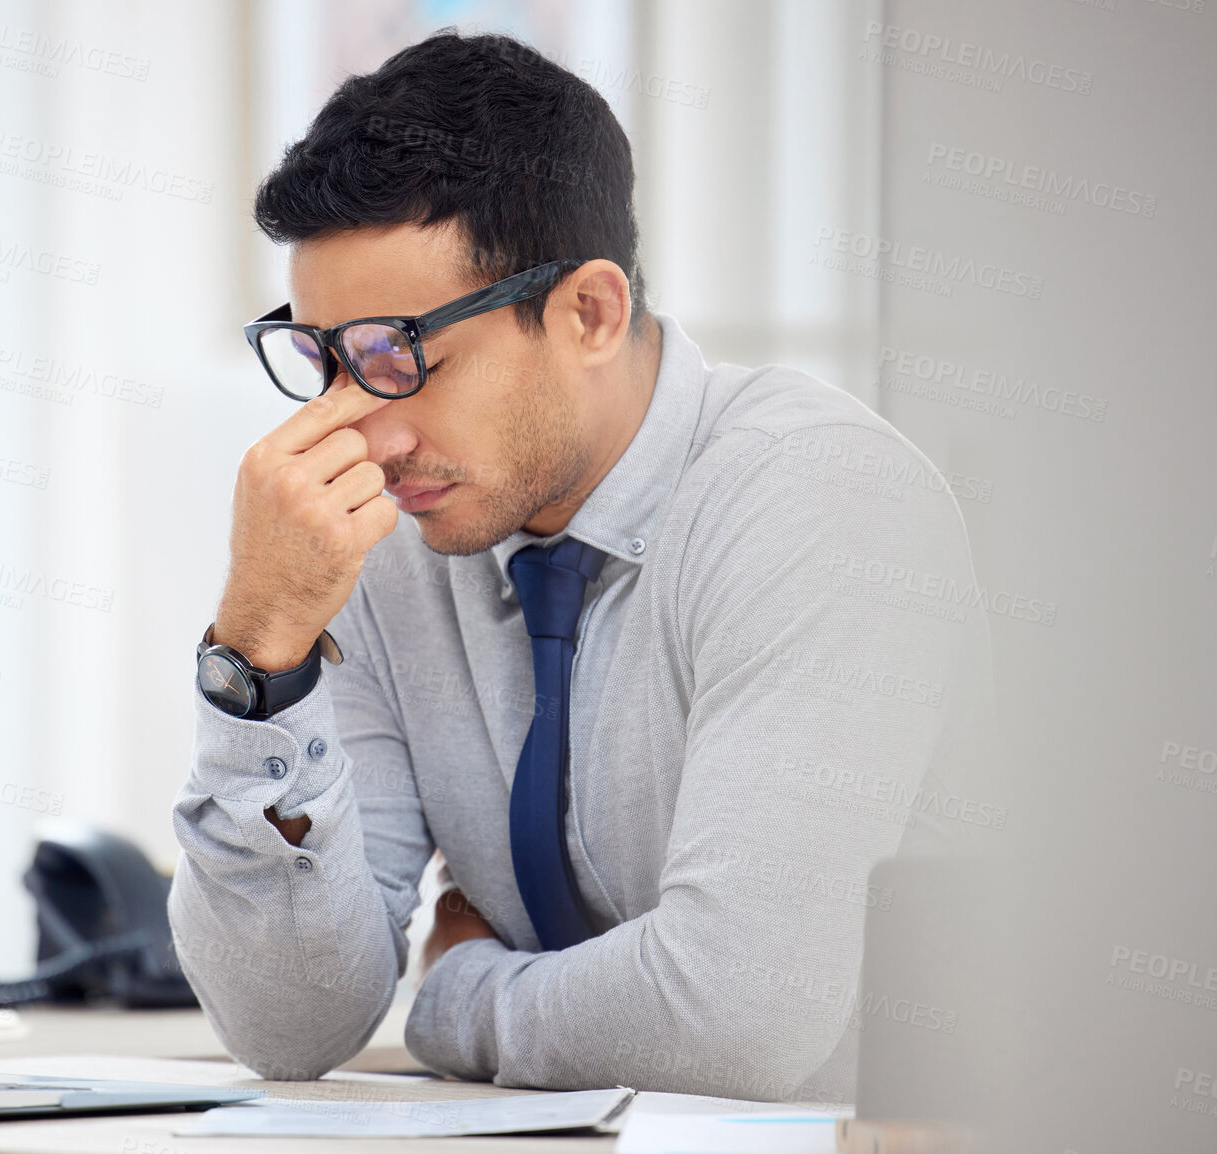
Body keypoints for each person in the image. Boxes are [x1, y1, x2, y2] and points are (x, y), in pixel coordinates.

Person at [166, 28, 998, 1101]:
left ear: (589, 313)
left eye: (397, 356)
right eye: (325, 360)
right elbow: (289, 1025)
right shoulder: (401, 521)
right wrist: (260, 650)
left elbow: (736, 1014)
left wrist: (460, 990)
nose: (360, 432)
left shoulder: (817, 501)